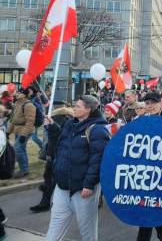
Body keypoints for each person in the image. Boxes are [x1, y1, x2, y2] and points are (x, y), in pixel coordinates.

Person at [46, 96, 110, 241]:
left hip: (83, 190)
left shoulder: (98, 130)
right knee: (55, 227)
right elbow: (62, 146)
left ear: (88, 110)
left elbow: (98, 160)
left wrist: (89, 184)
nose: (74, 108)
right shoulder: (70, 124)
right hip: (62, 186)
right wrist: (52, 128)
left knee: (87, 231)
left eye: (78, 106)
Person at [135, 92, 162, 241]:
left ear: (161, 103)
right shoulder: (140, 122)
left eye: (153, 103)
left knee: (154, 212)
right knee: (148, 213)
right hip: (144, 175)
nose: (150, 106)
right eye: (147, 103)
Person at [30, 103, 72, 213]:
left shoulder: (61, 120)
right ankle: (45, 201)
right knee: (49, 178)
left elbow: (56, 138)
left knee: (53, 179)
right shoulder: (66, 120)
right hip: (55, 154)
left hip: (57, 155)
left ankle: (47, 202)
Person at [7, 88, 36, 178]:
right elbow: (14, 120)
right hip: (18, 130)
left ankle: (23, 170)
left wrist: (24, 134)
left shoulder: (29, 105)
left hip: (25, 130)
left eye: (19, 93)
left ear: (24, 95)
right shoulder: (17, 104)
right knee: (21, 149)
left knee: (18, 149)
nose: (17, 94)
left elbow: (30, 121)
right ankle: (24, 169)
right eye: (17, 92)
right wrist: (8, 132)